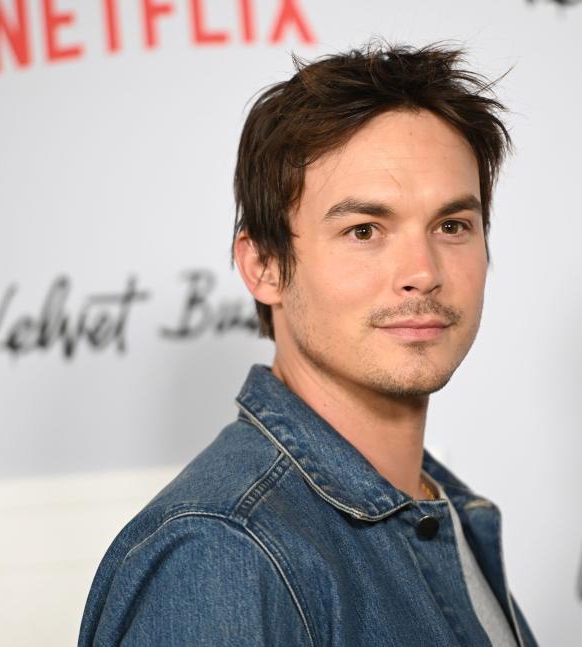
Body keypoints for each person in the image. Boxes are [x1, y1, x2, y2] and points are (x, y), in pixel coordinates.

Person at [79, 42, 538, 647]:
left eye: (452, 226)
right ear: (264, 266)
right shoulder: (223, 554)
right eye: (364, 230)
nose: (422, 271)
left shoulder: (444, 510)